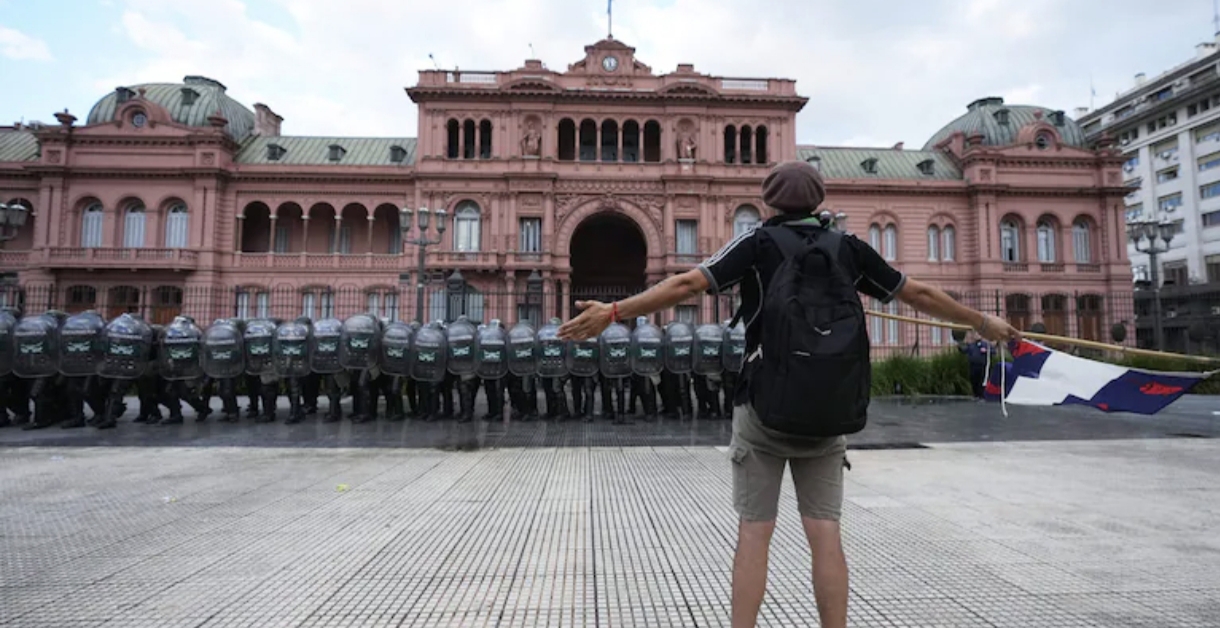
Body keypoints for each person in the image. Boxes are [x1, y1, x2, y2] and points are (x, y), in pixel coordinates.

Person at [558, 160, 1020, 628]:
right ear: (819, 201)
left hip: (763, 410)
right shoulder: (848, 248)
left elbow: (687, 284)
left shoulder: (757, 243)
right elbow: (915, 291)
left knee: (755, 533)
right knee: (825, 535)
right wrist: (982, 322)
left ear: (770, 201)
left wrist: (615, 311)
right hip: (829, 410)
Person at [959, 333, 992, 399]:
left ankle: (981, 395)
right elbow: (964, 350)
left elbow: (993, 351)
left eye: (978, 335)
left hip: (982, 366)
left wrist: (986, 351)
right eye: (975, 335)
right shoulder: (971, 345)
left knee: (982, 380)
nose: (976, 336)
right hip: (973, 366)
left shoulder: (985, 345)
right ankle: (975, 394)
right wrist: (960, 344)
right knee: (974, 380)